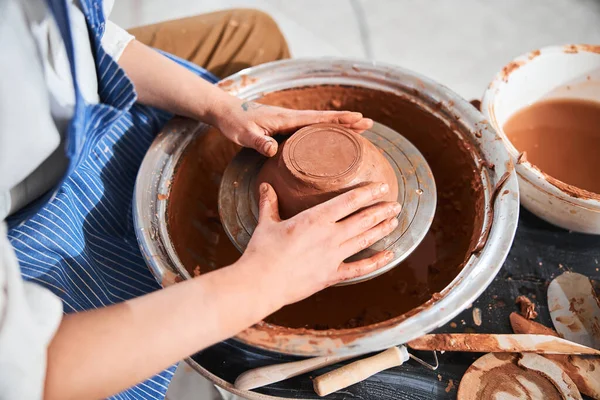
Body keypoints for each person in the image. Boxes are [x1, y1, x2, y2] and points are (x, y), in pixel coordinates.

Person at [0, 2, 401, 399]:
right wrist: (262, 281)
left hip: (64, 111)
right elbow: (33, 372)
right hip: (32, 227)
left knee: (252, 34)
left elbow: (88, 35)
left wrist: (221, 106)